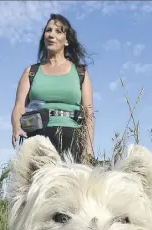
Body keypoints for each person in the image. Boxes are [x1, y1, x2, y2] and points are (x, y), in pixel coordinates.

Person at [10, 14, 95, 164]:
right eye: (48, 30)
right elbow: (19, 106)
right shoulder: (31, 71)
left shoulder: (80, 72)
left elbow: (88, 113)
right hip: (38, 138)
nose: (51, 35)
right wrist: (17, 127)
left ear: (67, 40)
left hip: (71, 138)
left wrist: (88, 150)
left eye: (58, 31)